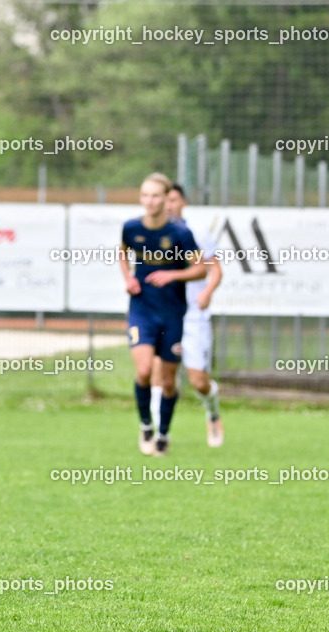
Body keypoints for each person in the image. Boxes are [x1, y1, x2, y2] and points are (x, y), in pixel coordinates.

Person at [118, 173, 206, 456]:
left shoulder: (180, 233)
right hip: (142, 310)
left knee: (167, 381)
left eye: (155, 195)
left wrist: (173, 275)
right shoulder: (131, 227)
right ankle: (146, 425)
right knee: (143, 371)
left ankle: (163, 434)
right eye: (145, 195)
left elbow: (200, 268)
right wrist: (128, 278)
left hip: (171, 314)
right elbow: (123, 253)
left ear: (166, 199)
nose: (149, 201)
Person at [150, 184, 224, 447]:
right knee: (159, 372)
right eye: (164, 199)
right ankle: (158, 434)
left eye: (173, 199)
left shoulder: (198, 232)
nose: (168, 205)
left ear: (183, 202)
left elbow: (214, 270)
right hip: (165, 313)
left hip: (193, 315)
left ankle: (212, 409)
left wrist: (208, 291)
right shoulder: (153, 232)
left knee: (198, 382)